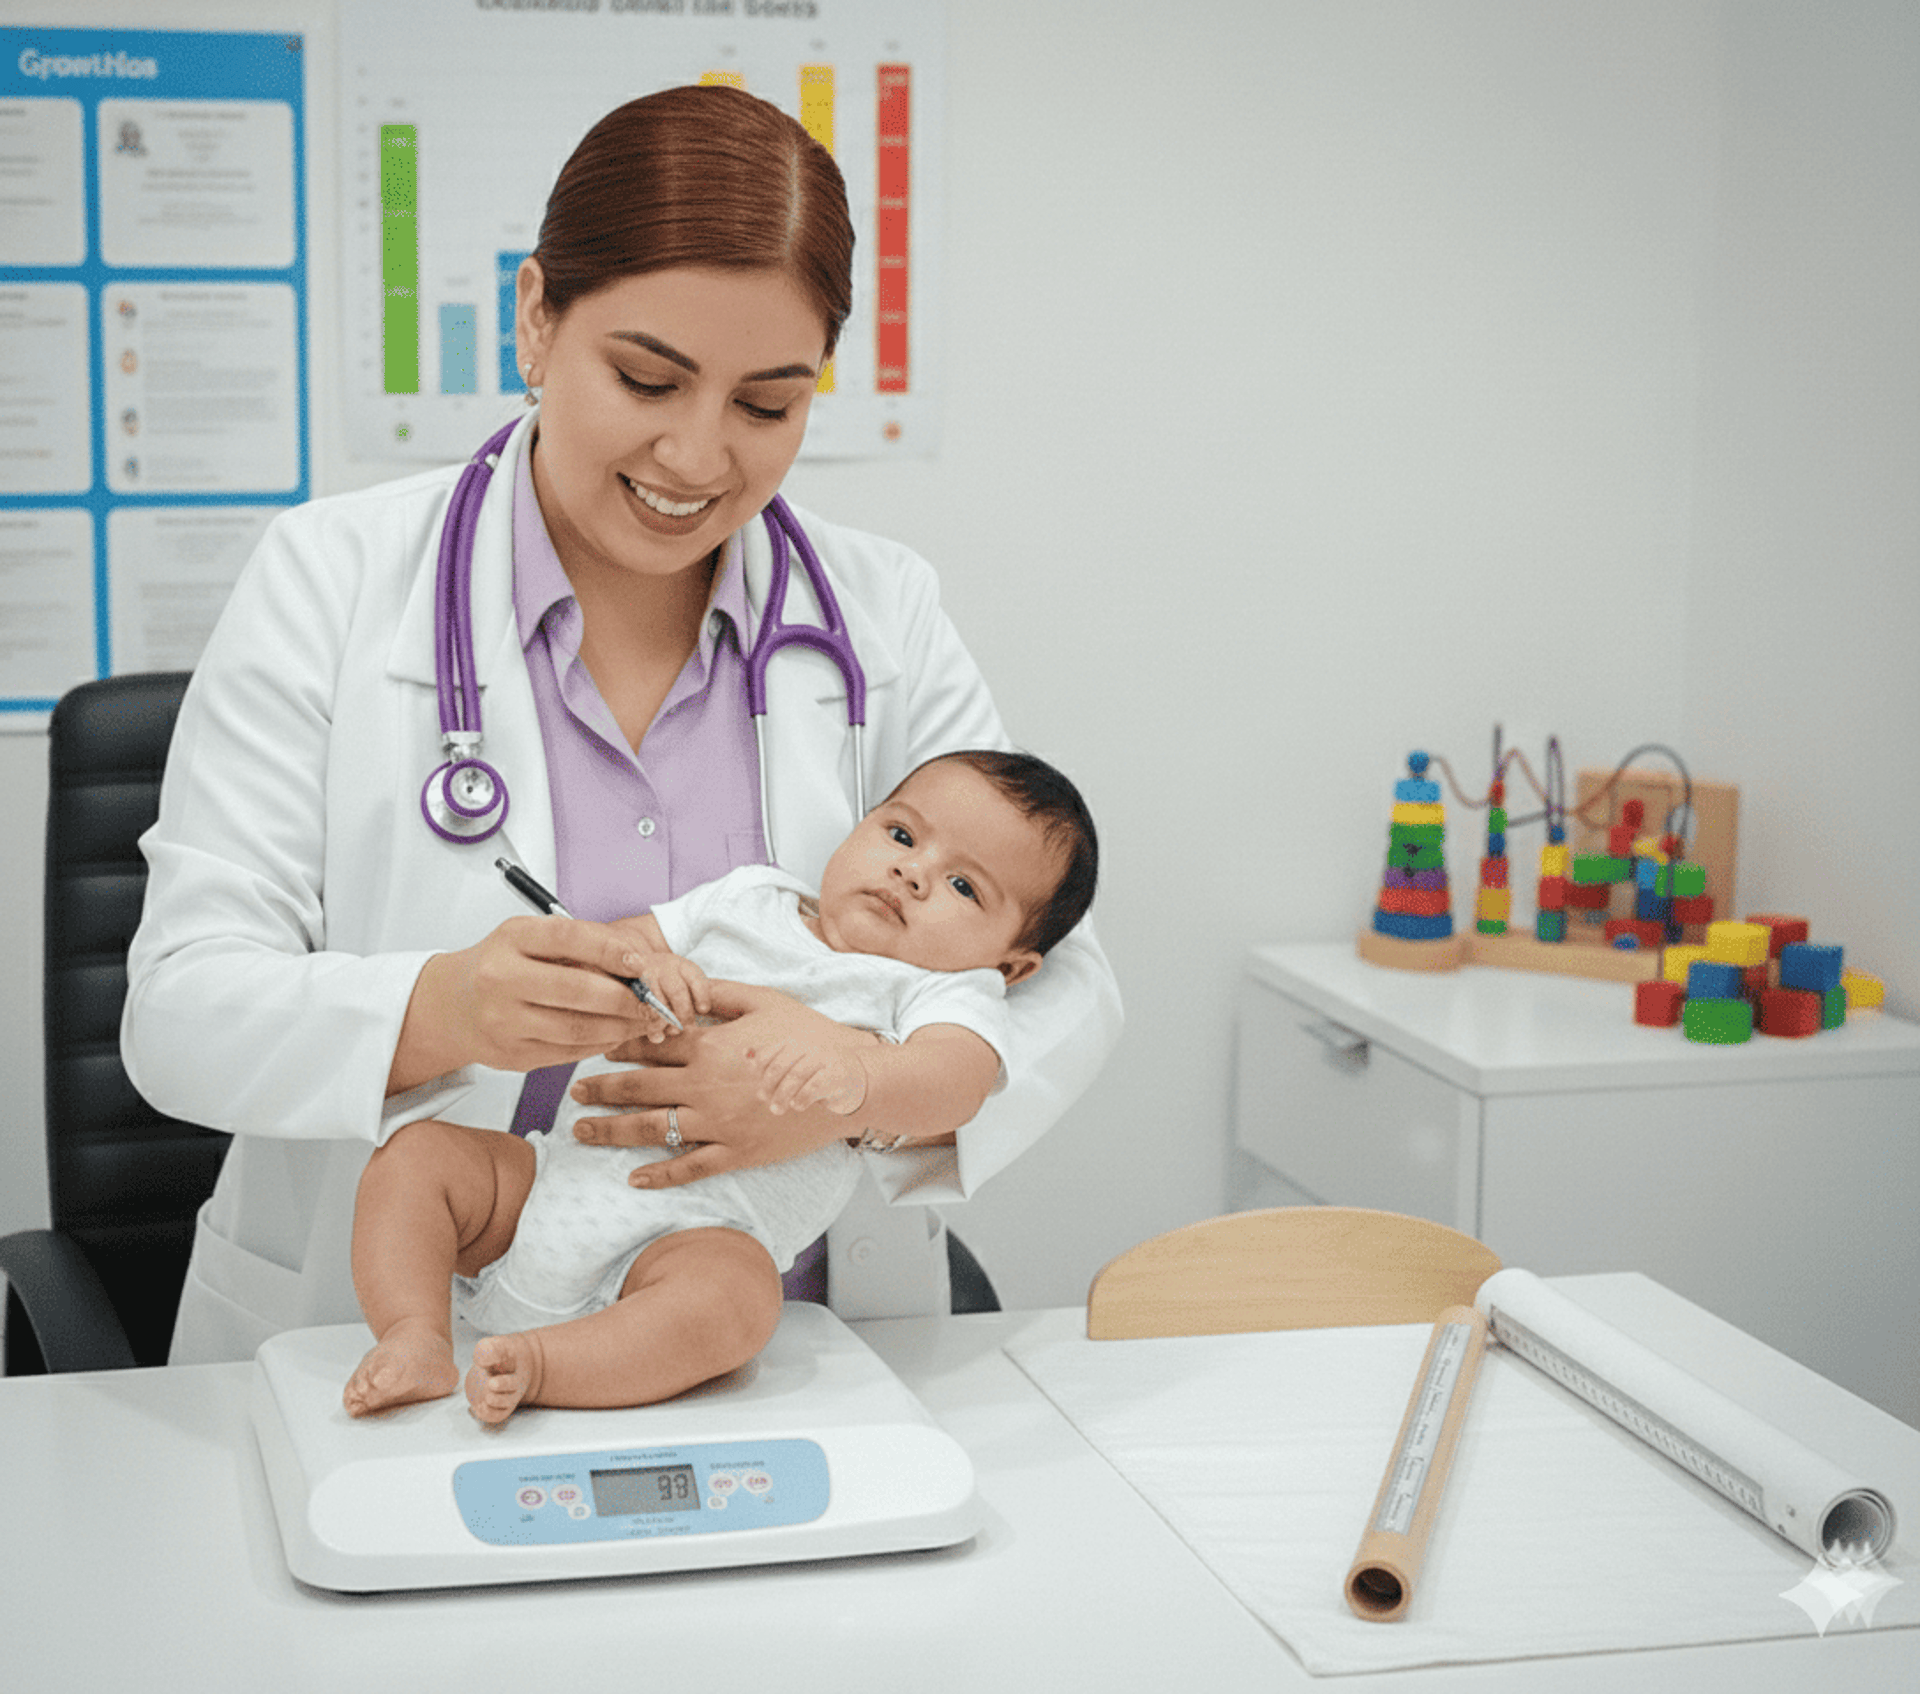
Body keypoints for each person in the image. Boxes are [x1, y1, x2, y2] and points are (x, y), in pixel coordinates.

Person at [123, 84, 1122, 1366]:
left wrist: (859, 1090)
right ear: (536, 319)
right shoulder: (329, 578)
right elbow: (181, 1011)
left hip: (782, 1347)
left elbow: (1056, 966)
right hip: (381, 1335)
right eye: (647, 377)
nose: (700, 457)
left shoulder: (879, 612)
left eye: (767, 405)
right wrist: (443, 1006)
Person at [344, 748, 1097, 1423]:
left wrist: (855, 1072)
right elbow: (625, 941)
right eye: (900, 836)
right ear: (861, 823)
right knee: (418, 1158)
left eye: (964, 886)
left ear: (1009, 967)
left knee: (735, 1307)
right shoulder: (750, 896)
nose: (913, 872)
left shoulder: (940, 993)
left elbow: (954, 1084)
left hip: (696, 1238)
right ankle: (415, 1334)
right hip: (543, 1184)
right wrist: (644, 963)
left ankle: (545, 1365)